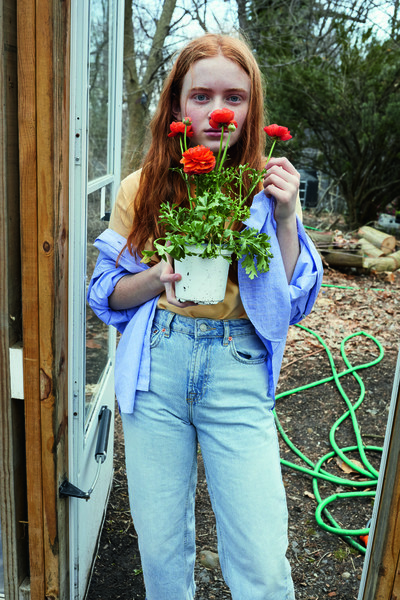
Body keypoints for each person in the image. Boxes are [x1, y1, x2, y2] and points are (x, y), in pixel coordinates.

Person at [88, 32, 323, 600]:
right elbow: (105, 294)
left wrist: (287, 216)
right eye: (201, 96)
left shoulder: (267, 188)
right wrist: (155, 276)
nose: (218, 111)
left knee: (262, 561)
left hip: (238, 369)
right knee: (162, 550)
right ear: (176, 105)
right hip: (156, 371)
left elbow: (293, 301)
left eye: (235, 97)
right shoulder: (140, 190)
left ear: (252, 107)